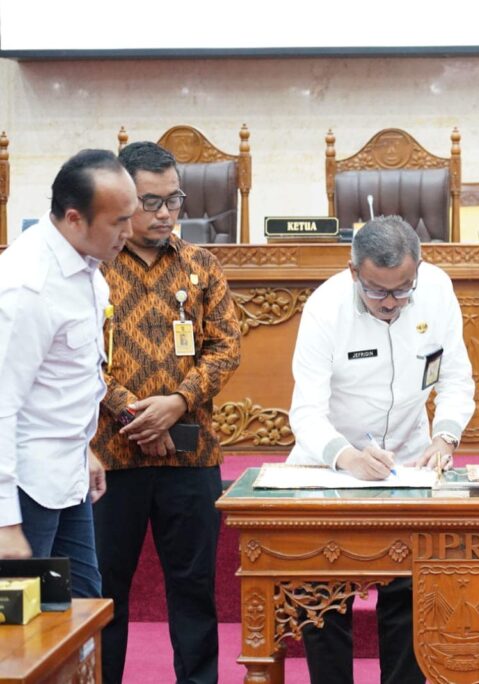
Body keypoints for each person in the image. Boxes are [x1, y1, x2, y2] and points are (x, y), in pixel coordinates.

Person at [287, 215, 475, 683]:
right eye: (376, 291)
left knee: (410, 594)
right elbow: (305, 410)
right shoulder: (324, 307)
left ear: (418, 270)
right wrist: (347, 457)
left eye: (401, 290)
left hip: (411, 462)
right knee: (324, 601)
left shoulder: (436, 289)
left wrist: (445, 436)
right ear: (354, 272)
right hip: (331, 467)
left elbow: (455, 377)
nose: (391, 303)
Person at [90, 141, 241, 684]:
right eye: (149, 201)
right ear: (122, 197)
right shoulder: (94, 267)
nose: (163, 213)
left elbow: (227, 347)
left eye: (173, 200)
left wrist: (175, 405)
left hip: (191, 454)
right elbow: (79, 357)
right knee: (105, 593)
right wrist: (136, 416)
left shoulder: (202, 264)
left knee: (194, 589)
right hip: (110, 460)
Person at [0, 150, 136, 594]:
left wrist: (85, 449)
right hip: (24, 489)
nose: (128, 232)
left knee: (83, 610)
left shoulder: (86, 265)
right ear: (75, 218)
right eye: (118, 222)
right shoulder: (28, 286)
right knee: (24, 638)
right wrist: (4, 521)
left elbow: (66, 381)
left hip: (67, 475)